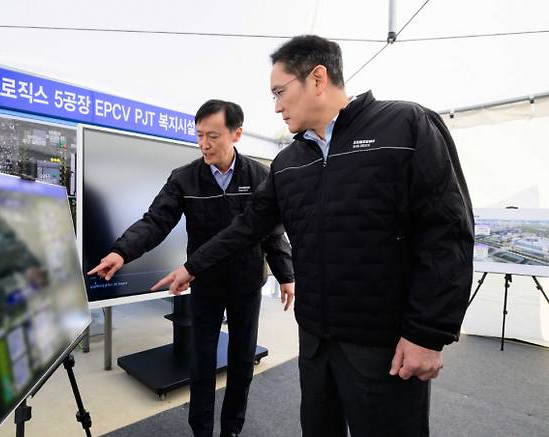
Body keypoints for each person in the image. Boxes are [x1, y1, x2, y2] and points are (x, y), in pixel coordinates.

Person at [152, 35, 475, 437]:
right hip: (317, 341)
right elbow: (249, 225)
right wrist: (192, 266)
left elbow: (448, 233)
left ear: (318, 78)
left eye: (280, 92)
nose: (276, 106)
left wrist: (428, 334)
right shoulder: (289, 162)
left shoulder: (405, 126)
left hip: (385, 345)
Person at [88, 99, 295, 437]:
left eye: (212, 136)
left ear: (236, 133)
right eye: (199, 135)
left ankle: (231, 429)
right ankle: (201, 430)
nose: (204, 144)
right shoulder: (185, 178)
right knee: (200, 362)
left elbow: (271, 230)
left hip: (245, 284)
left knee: (242, 362)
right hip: (204, 285)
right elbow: (156, 221)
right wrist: (121, 252)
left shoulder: (260, 176)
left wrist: (285, 275)